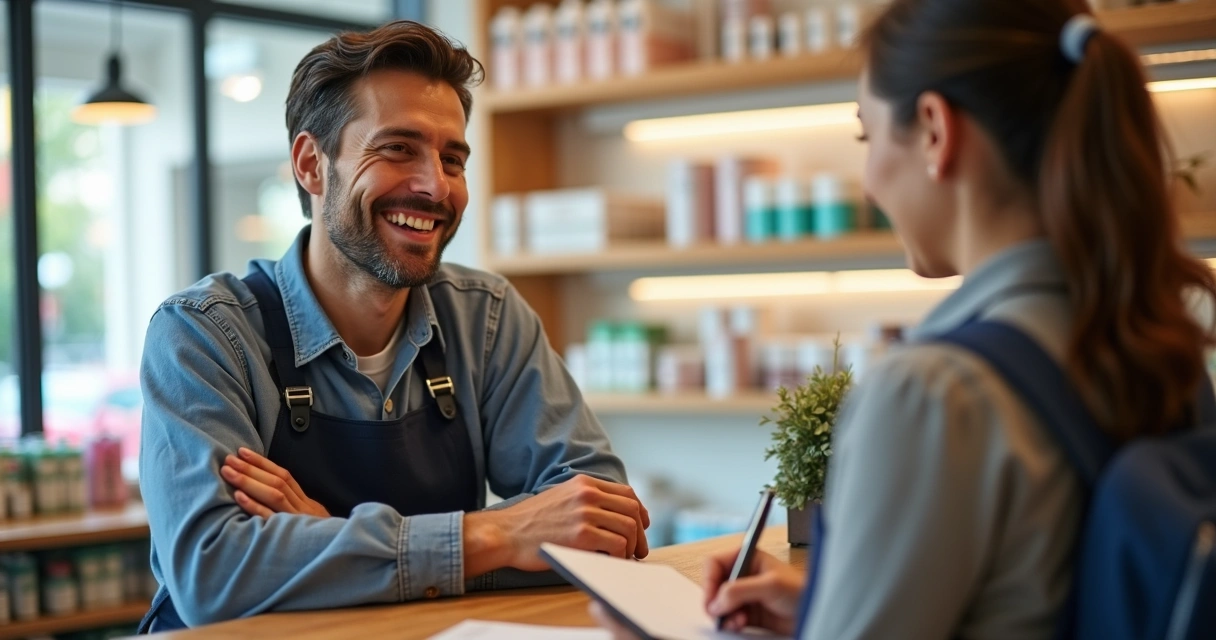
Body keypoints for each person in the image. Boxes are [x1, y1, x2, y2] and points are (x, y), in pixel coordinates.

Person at [593, 0, 1216, 638]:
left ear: (935, 131)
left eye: (867, 136)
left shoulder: (932, 394)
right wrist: (823, 609)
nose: (868, 183)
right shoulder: (1164, 350)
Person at [137, 21, 649, 632]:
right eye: (397, 148)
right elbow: (213, 577)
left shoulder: (485, 316)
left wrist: (326, 543)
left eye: (452, 158)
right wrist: (494, 536)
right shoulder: (202, 336)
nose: (436, 185)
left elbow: (601, 520)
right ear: (310, 164)